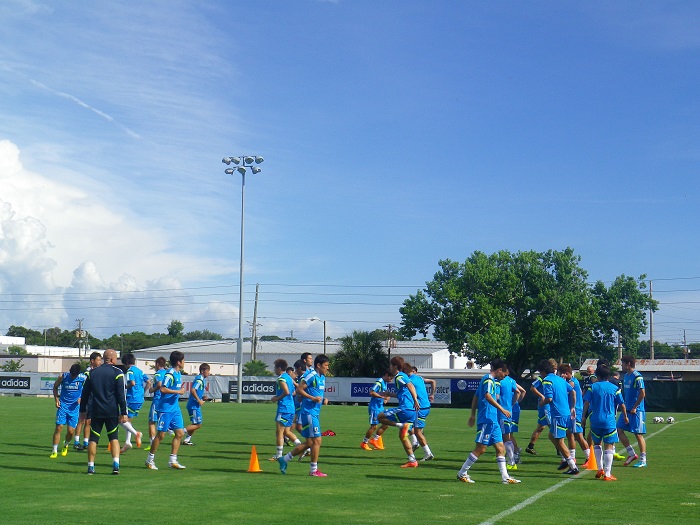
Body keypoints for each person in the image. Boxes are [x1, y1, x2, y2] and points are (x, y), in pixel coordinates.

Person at [456, 358, 521, 484]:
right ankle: (462, 473)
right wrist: (502, 409)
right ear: (499, 370)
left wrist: (472, 415)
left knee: (500, 448)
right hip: (487, 418)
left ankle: (505, 477)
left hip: (493, 420)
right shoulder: (489, 380)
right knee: (480, 449)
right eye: (504, 373)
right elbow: (487, 396)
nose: (505, 376)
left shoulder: (490, 381)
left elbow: (476, 397)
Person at [278, 354, 330, 476]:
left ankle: (284, 459)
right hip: (309, 413)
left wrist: (323, 399)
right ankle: (313, 470)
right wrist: (312, 398)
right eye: (326, 365)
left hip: (314, 412)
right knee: (317, 441)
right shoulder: (312, 376)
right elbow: (299, 389)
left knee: (310, 443)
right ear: (318, 365)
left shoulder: (322, 377)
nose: (327, 368)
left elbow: (314, 392)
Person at [79, 349, 127, 475]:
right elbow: (121, 394)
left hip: (96, 410)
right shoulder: (118, 372)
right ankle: (115, 465)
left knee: (93, 438)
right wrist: (124, 412)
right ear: (112, 359)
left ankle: (90, 467)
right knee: (114, 437)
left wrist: (82, 410)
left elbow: (85, 393)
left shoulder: (92, 372)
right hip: (111, 410)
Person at [582, 362, 628, 481]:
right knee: (609, 446)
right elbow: (622, 404)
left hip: (595, 420)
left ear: (597, 375)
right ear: (609, 376)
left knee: (597, 444)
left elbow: (586, 402)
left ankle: (600, 469)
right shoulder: (615, 388)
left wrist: (583, 417)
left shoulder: (593, 387)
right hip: (609, 421)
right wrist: (625, 416)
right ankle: (607, 474)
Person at [145, 350, 187, 470]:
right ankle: (149, 460)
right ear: (178, 362)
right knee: (161, 435)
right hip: (165, 409)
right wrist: (178, 391)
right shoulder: (170, 374)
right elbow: (163, 389)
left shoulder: (178, 374)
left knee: (180, 433)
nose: (184, 362)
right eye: (183, 360)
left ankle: (173, 460)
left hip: (175, 409)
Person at [377, 356, 420, 468]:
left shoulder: (399, 376)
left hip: (405, 409)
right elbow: (402, 393)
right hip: (411, 411)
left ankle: (401, 425)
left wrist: (415, 400)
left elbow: (410, 386)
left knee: (380, 417)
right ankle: (412, 460)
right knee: (403, 436)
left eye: (391, 365)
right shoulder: (402, 376)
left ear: (395, 366)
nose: (390, 367)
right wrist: (389, 394)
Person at [540, 359, 578, 475]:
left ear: (543, 371)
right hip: (566, 413)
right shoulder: (560, 379)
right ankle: (566, 458)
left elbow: (549, 398)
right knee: (551, 435)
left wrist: (542, 403)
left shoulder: (547, 381)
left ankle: (572, 466)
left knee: (560, 441)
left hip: (558, 414)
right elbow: (573, 392)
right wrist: (572, 407)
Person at [617, 355, 647, 468]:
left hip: (636, 411)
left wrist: (635, 407)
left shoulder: (637, 377)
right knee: (618, 430)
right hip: (627, 409)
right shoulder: (626, 376)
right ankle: (631, 454)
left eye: (622, 363)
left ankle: (643, 460)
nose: (621, 365)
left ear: (628, 364)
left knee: (638, 434)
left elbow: (642, 394)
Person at [51, 363, 87, 458]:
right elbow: (55, 387)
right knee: (59, 427)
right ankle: (54, 451)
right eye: (72, 374)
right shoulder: (63, 376)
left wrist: (82, 398)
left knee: (71, 431)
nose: (72, 376)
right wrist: (56, 400)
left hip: (74, 408)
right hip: (63, 406)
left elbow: (89, 389)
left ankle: (66, 445)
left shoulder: (83, 378)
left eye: (74, 375)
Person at [558, 363, 591, 468]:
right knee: (570, 434)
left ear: (566, 373)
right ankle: (572, 457)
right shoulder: (571, 381)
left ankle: (589, 458)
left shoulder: (572, 382)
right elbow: (580, 392)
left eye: (561, 373)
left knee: (578, 435)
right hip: (571, 411)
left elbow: (563, 391)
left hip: (575, 411)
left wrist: (561, 381)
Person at [270, 359, 301, 460]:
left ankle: (278, 456)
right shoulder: (289, 377)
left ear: (279, 368)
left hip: (284, 408)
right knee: (287, 432)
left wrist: (276, 398)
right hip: (291, 408)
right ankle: (304, 448)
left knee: (279, 432)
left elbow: (286, 392)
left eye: (275, 368)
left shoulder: (281, 379)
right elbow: (296, 388)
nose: (274, 370)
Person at [525, 358, 557, 456]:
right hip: (545, 406)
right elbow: (532, 388)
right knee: (552, 426)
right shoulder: (541, 378)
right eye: (554, 368)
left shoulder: (552, 378)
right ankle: (560, 448)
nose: (555, 370)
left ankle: (530, 446)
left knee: (541, 427)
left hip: (548, 405)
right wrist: (542, 396)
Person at [74, 351, 102, 450]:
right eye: (98, 360)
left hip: (93, 399)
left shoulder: (98, 372)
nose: (100, 362)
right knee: (81, 420)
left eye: (100, 360)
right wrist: (80, 397)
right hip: (86, 399)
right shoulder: (87, 373)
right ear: (92, 361)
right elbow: (82, 387)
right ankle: (76, 441)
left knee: (89, 421)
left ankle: (86, 442)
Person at [407, 365, 435, 461]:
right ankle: (416, 442)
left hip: (420, 407)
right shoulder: (419, 378)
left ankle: (427, 452)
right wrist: (432, 394)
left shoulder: (409, 380)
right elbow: (433, 381)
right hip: (425, 406)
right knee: (414, 428)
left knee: (416, 431)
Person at [120, 353, 146, 453]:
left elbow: (132, 383)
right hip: (139, 399)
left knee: (120, 419)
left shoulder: (130, 371)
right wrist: (143, 392)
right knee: (128, 421)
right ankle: (127, 442)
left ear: (126, 362)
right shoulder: (140, 371)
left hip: (132, 398)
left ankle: (136, 434)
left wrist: (124, 388)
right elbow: (148, 382)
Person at [496, 365, 521, 470]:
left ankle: (512, 461)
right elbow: (518, 392)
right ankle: (505, 457)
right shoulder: (511, 381)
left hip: (501, 413)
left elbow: (496, 397)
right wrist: (511, 404)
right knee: (506, 436)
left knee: (505, 437)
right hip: (509, 412)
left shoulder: (499, 381)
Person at [361, 370, 392, 451]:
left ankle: (374, 440)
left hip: (380, 407)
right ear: (386, 375)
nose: (391, 380)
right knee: (374, 426)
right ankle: (364, 443)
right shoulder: (379, 382)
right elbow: (371, 392)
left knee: (386, 424)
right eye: (390, 378)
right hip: (374, 407)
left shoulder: (385, 383)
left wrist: (387, 398)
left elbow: (386, 393)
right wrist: (381, 397)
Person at [183, 363, 211, 446]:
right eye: (208, 371)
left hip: (194, 405)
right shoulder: (199, 379)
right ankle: (181, 432)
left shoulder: (201, 379)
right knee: (198, 424)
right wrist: (199, 400)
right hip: (194, 405)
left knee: (195, 424)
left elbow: (196, 392)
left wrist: (202, 397)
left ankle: (187, 440)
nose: (209, 373)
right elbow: (193, 390)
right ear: (202, 371)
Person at [145, 356, 167, 451]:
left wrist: (152, 390)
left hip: (157, 400)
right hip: (165, 400)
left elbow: (159, 384)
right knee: (163, 419)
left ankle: (152, 443)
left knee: (152, 422)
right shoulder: (167, 373)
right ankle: (171, 431)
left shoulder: (157, 374)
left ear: (157, 364)